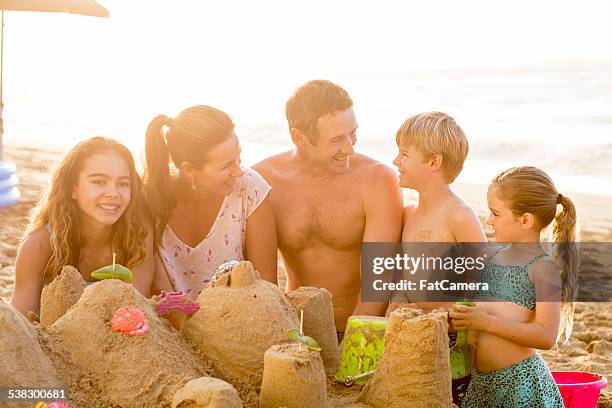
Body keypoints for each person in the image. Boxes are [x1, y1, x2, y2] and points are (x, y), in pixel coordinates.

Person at [253, 80, 403, 334]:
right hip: (297, 329)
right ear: (298, 137)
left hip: (358, 325)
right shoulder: (263, 181)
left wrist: (353, 342)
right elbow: (265, 283)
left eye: (353, 133)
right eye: (336, 140)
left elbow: (379, 280)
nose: (349, 147)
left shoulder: (378, 180)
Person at [450, 166, 576, 407]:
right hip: (481, 385)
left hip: (521, 387)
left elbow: (546, 336)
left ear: (525, 220)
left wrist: (484, 322)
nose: (488, 220)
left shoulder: (542, 268)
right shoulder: (490, 257)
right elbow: (477, 313)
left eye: (495, 213)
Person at [391, 112, 486, 405]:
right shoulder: (408, 212)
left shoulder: (459, 216)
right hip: (413, 328)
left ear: (433, 162)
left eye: (404, 154)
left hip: (450, 336)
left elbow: (484, 280)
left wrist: (452, 315)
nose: (396, 161)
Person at [144, 105, 277, 301]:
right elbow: (153, 289)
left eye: (238, 157)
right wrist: (188, 325)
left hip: (236, 320)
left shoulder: (249, 188)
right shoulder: (149, 198)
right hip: (168, 322)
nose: (238, 171)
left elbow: (267, 286)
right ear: (189, 169)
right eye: (225, 165)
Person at [10, 137, 154, 317]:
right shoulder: (39, 244)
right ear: (73, 188)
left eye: (123, 184)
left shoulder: (136, 235)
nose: (113, 193)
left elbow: (135, 308)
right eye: (99, 182)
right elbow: (20, 324)